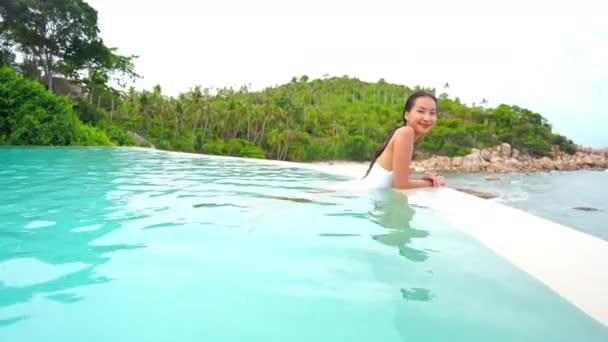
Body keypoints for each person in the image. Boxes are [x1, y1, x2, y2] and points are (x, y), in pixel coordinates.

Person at [359, 91, 445, 189]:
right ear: (406, 115)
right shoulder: (406, 133)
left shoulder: (405, 134)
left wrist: (423, 180)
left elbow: (397, 181)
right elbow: (401, 185)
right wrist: (434, 183)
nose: (427, 118)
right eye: (421, 111)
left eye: (432, 113)